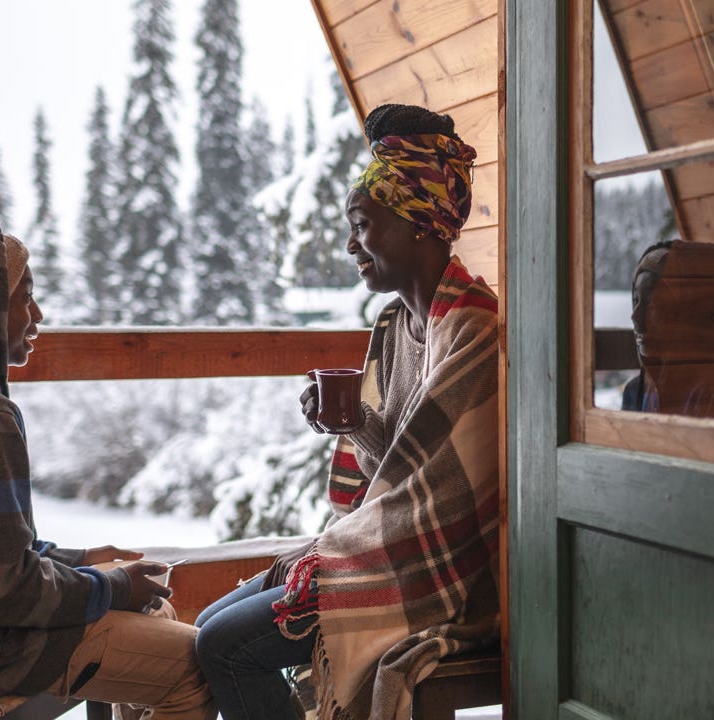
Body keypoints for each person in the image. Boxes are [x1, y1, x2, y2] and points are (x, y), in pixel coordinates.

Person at [194, 104, 500, 720]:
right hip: (386, 541)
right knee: (207, 621)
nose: (350, 244)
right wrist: (352, 421)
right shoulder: (395, 324)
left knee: (222, 645)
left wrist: (325, 554)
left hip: (442, 570)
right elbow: (397, 461)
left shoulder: (470, 324)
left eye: (362, 224)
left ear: (417, 223)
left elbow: (436, 493)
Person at [0, 219, 212, 719]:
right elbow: (8, 593)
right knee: (198, 665)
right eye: (23, 297)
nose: (37, 316)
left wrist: (81, 559)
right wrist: (116, 585)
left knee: (155, 611)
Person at [622, 239, 714, 421]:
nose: (636, 318)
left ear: (694, 312)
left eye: (653, 305)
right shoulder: (637, 391)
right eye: (636, 301)